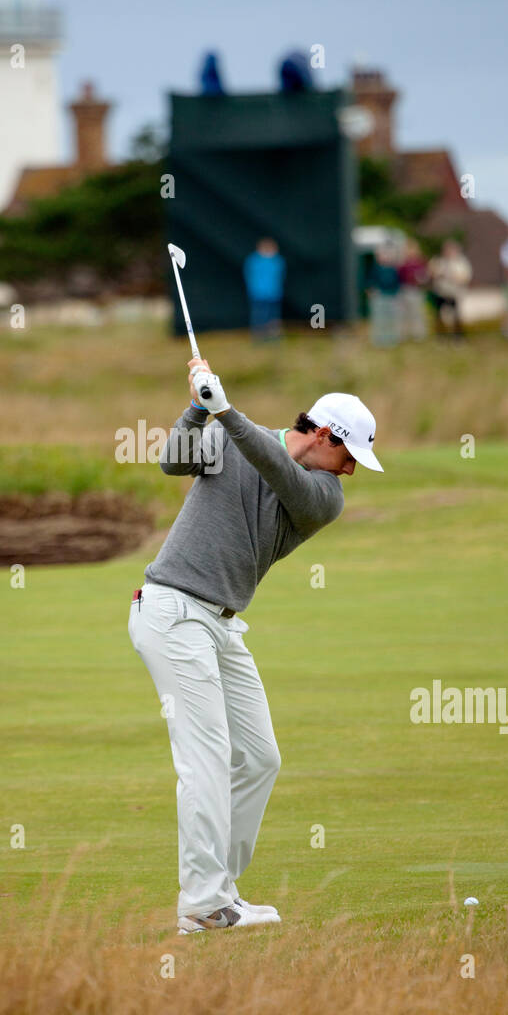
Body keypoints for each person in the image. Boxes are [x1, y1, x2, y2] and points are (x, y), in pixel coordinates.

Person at [128, 360, 382, 934]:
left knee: (261, 757)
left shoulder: (322, 496)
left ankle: (221, 889)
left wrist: (224, 410)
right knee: (207, 759)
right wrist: (198, 406)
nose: (350, 472)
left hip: (221, 622)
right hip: (171, 610)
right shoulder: (231, 432)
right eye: (349, 458)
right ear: (324, 435)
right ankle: (202, 904)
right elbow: (174, 459)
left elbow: (277, 471)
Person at [243, 237, 286, 340]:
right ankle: (259, 336)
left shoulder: (277, 261)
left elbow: (280, 275)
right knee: (259, 316)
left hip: (274, 294)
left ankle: (273, 337)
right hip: (258, 294)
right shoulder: (254, 261)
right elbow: (249, 275)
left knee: (273, 316)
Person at [428, 239, 472, 338]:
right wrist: (437, 273)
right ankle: (441, 336)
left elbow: (465, 277)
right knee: (439, 316)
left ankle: (458, 336)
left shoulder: (461, 262)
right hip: (441, 292)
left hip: (454, 293)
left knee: (456, 316)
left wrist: (453, 276)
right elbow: (431, 273)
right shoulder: (439, 261)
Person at [367, 241, 402, 346]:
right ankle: (379, 339)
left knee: (391, 319)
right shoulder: (375, 268)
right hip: (379, 297)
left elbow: (397, 282)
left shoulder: (393, 269)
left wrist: (396, 293)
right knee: (379, 319)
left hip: (391, 297)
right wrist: (371, 291)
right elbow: (369, 282)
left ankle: (391, 339)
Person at [397, 239, 429, 341]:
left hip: (416, 290)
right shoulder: (403, 264)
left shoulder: (420, 263)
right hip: (404, 290)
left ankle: (418, 334)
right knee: (403, 314)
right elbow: (398, 277)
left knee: (417, 313)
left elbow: (425, 277)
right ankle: (404, 334)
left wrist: (420, 279)